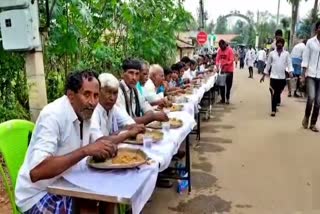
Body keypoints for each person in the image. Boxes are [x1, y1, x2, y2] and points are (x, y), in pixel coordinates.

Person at [15, 70, 117, 213]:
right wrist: (86, 150)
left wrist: (103, 149)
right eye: (86, 94)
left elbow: (98, 141)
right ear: (71, 96)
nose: (93, 102)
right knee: (87, 205)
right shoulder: (53, 115)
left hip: (66, 183)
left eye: (96, 96)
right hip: (38, 195)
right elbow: (36, 172)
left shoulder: (85, 113)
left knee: (109, 194)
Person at [91, 73, 145, 143]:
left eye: (115, 93)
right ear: (99, 92)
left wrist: (123, 131)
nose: (112, 98)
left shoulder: (114, 108)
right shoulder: (93, 111)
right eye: (108, 92)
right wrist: (127, 133)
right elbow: (99, 141)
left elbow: (132, 124)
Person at [116, 58, 169, 125]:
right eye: (131, 73)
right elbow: (126, 122)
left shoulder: (135, 90)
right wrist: (152, 117)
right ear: (122, 73)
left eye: (137, 74)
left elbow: (146, 107)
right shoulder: (117, 92)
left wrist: (150, 116)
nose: (134, 78)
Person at [260, 38, 293, 117]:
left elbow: (289, 64)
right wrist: (264, 76)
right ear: (276, 44)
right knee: (273, 93)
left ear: (283, 44)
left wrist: (290, 72)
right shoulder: (272, 53)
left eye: (281, 43)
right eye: (278, 43)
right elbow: (268, 65)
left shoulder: (286, 54)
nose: (279, 44)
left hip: (282, 77)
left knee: (278, 92)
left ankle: (275, 103)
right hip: (273, 76)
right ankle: (273, 110)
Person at [301, 21, 320, 132]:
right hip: (311, 74)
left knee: (318, 101)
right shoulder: (310, 42)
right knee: (311, 98)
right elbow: (305, 59)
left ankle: (313, 123)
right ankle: (306, 117)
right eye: (319, 27)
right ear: (317, 29)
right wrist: (303, 75)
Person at [216, 39, 235, 104]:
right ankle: (223, 99)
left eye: (222, 46)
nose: (221, 48)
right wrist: (217, 66)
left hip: (229, 71)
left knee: (228, 86)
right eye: (220, 47)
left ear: (224, 44)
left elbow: (231, 60)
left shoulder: (230, 50)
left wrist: (226, 63)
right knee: (222, 85)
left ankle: (227, 98)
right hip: (222, 71)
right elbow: (217, 60)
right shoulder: (219, 51)